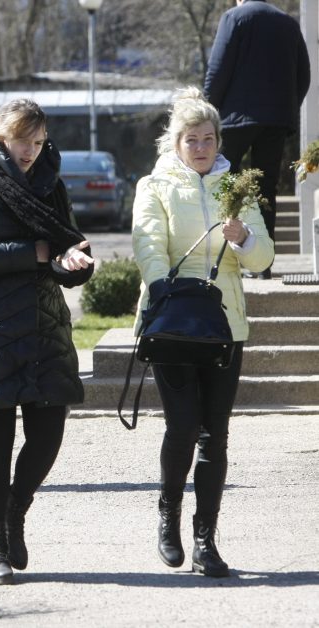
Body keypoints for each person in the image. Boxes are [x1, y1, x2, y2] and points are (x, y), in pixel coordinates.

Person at [0, 99, 95, 585]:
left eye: (38, 140)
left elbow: (67, 247)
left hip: (43, 325)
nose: (30, 150)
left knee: (48, 434)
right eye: (21, 140)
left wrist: (71, 265)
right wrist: (35, 252)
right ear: (0, 139)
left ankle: (15, 510)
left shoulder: (52, 186)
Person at [132, 87, 274, 578]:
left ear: (218, 141)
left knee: (216, 435)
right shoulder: (154, 185)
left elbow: (262, 259)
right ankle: (169, 512)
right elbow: (147, 244)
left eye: (208, 139)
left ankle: (205, 539)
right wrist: (165, 290)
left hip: (224, 324)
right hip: (174, 320)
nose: (200, 147)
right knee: (183, 426)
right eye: (191, 139)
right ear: (176, 143)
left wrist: (244, 237)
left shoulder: (236, 186)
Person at [203, 0, 310, 279]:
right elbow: (304, 75)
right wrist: (286, 109)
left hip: (234, 120)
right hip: (275, 121)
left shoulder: (233, 18)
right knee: (266, 190)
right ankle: (263, 264)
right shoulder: (287, 23)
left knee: (224, 186)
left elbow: (218, 69)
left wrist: (206, 112)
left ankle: (225, 259)